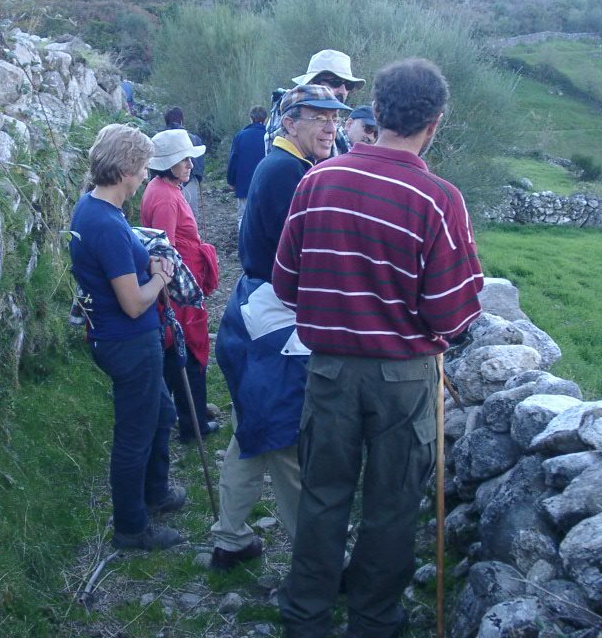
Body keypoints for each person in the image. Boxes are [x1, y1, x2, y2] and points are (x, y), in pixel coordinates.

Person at [273, 59, 485, 638]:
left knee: (323, 497)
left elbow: (286, 284)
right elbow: (451, 314)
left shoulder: (318, 182)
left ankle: (305, 618)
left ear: (378, 113)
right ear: (435, 124)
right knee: (392, 505)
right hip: (404, 379)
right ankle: (373, 620)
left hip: (329, 372)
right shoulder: (439, 199)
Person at [210, 85, 351, 570]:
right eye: (318, 117)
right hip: (277, 323)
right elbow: (310, 257)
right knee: (286, 441)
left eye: (335, 118)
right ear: (289, 122)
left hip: (257, 310)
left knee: (251, 431)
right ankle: (317, 561)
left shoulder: (286, 166)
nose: (331, 127)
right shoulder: (289, 173)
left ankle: (230, 539)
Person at [69, 124, 186, 551]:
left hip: (116, 338)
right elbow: (134, 303)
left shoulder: (92, 207)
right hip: (130, 341)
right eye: (141, 169)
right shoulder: (107, 225)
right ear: (124, 171)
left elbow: (116, 267)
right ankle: (131, 527)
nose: (144, 177)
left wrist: (144, 263)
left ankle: (156, 492)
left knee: (162, 414)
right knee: (135, 434)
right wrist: (160, 277)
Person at [140, 129, 220, 442]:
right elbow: (166, 252)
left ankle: (189, 415)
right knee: (189, 352)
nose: (189, 164)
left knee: (178, 353)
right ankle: (192, 424)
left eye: (189, 158)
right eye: (183, 159)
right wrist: (177, 299)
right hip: (177, 295)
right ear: (166, 164)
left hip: (179, 290)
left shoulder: (165, 189)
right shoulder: (164, 196)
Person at [265, 49, 365, 153]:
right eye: (335, 82)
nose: (343, 91)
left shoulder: (338, 133)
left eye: (349, 85)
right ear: (312, 84)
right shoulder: (290, 118)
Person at [226, 105, 268, 227]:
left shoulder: (240, 136)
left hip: (244, 184)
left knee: (243, 216)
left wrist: (231, 180)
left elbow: (233, 160)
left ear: (251, 118)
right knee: (263, 217)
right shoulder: (270, 136)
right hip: (264, 183)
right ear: (265, 119)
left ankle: (243, 238)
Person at [163, 107, 206, 224]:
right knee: (190, 215)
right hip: (188, 181)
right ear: (182, 120)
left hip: (164, 182)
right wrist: (199, 177)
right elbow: (199, 165)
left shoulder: (160, 139)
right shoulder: (193, 139)